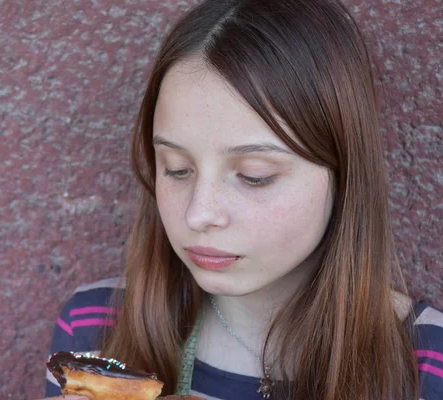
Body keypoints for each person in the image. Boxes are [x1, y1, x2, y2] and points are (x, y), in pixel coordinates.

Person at [42, 0, 443, 399]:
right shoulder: (94, 328)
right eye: (177, 168)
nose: (200, 213)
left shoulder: (428, 363)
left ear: (344, 173)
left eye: (255, 176)